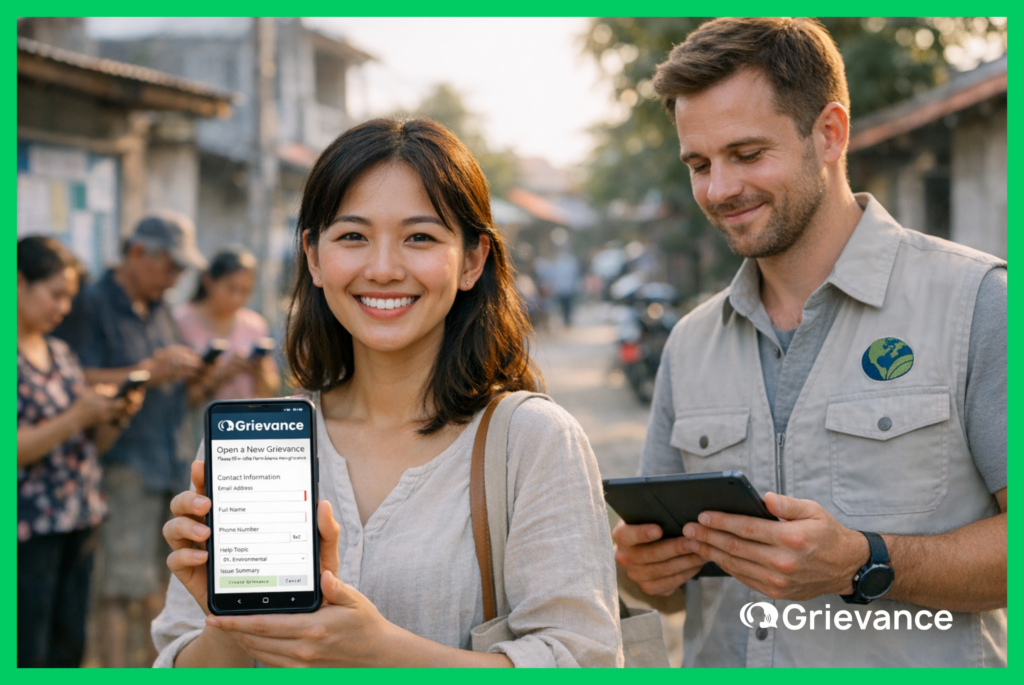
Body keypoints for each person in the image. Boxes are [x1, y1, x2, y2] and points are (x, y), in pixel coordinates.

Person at [152, 118, 624, 668]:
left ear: (472, 260)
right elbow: (180, 661)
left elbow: (583, 659)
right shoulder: (253, 444)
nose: (382, 269)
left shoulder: (532, 441)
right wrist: (232, 622)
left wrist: (382, 652)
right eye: (353, 236)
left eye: (419, 237)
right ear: (313, 256)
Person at [613, 17, 1006, 667]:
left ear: (829, 134)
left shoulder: (981, 302)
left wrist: (865, 561)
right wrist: (642, 569)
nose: (719, 189)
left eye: (746, 154)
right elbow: (671, 592)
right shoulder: (689, 342)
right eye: (699, 163)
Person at [53, 210, 210, 667]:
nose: (176, 278)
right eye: (171, 267)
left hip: (167, 461)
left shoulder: (158, 307)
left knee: (168, 586)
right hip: (122, 466)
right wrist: (146, 373)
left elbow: (167, 385)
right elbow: (69, 377)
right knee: (118, 590)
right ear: (138, 253)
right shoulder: (91, 303)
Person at [17, 236, 143, 667]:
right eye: (55, 294)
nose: (63, 308)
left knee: (69, 645)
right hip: (28, 529)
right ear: (17, 283)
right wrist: (76, 415)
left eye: (69, 297)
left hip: (79, 516)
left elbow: (89, 445)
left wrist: (112, 416)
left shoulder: (60, 352)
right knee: (27, 646)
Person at [173, 247, 282, 459]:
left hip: (246, 433)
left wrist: (258, 368)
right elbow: (178, 397)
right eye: (230, 289)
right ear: (208, 281)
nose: (237, 298)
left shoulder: (254, 325)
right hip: (196, 433)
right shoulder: (181, 321)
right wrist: (221, 374)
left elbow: (269, 391)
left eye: (245, 291)